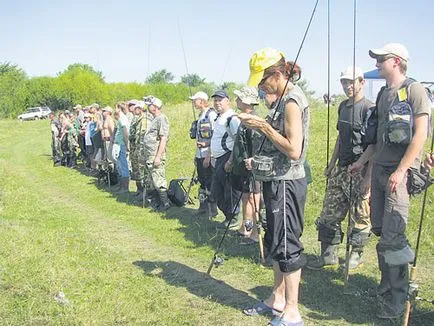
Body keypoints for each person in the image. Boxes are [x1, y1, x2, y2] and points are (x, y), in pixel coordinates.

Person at [350, 43, 430, 319]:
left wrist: (401, 170)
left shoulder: (414, 91)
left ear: (396, 61)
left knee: (394, 237)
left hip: (400, 175)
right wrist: (362, 162)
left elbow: (421, 135)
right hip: (382, 171)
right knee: (382, 231)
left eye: (381, 59)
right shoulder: (384, 93)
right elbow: (377, 138)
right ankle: (386, 286)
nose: (377, 63)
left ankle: (398, 298)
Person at [240, 48, 308, 326]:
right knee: (276, 241)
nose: (259, 86)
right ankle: (277, 298)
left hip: (287, 183)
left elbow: (294, 149)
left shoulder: (292, 101)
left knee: (287, 244)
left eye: (263, 80)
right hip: (275, 181)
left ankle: (292, 310)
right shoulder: (279, 100)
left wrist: (263, 127)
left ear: (277, 74)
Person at [306, 67, 373, 271]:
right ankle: (328, 254)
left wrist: (367, 176)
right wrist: (332, 162)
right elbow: (340, 137)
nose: (347, 86)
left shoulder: (369, 108)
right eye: (344, 82)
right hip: (341, 169)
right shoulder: (343, 106)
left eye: (351, 82)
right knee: (329, 211)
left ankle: (356, 254)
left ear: (362, 82)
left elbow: (374, 144)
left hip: (360, 169)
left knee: (359, 215)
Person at [231, 86, 261, 244]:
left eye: (239, 98)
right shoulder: (244, 120)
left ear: (246, 102)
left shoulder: (253, 120)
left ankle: (256, 234)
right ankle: (246, 229)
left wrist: (253, 160)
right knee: (245, 197)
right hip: (243, 167)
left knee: (254, 199)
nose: (236, 100)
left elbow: (258, 145)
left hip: (253, 168)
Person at [208, 90, 242, 229]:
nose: (217, 103)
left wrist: (231, 160)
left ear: (227, 101)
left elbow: (237, 141)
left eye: (220, 100)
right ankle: (228, 215)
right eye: (215, 100)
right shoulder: (218, 117)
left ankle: (232, 218)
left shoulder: (231, 118)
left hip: (227, 157)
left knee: (229, 190)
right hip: (218, 159)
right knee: (216, 191)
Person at [189, 91, 218, 217]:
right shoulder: (201, 115)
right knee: (202, 182)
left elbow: (215, 135)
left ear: (201, 100)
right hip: (200, 155)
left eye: (195, 100)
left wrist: (207, 153)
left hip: (208, 155)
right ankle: (203, 208)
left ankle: (212, 210)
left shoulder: (211, 115)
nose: (193, 102)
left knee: (209, 182)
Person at [142, 96, 170, 211]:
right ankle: (156, 202)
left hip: (155, 155)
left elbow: (163, 139)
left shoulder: (161, 119)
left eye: (149, 105)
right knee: (151, 180)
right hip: (149, 154)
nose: (148, 107)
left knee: (158, 179)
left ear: (155, 107)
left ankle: (165, 203)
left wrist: (158, 156)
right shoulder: (153, 119)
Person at [113, 102, 131, 194]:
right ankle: (121, 187)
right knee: (120, 166)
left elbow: (125, 133)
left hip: (122, 144)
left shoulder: (123, 118)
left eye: (115, 107)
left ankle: (125, 188)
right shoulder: (120, 118)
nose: (114, 109)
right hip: (119, 143)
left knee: (123, 166)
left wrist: (127, 144)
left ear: (119, 108)